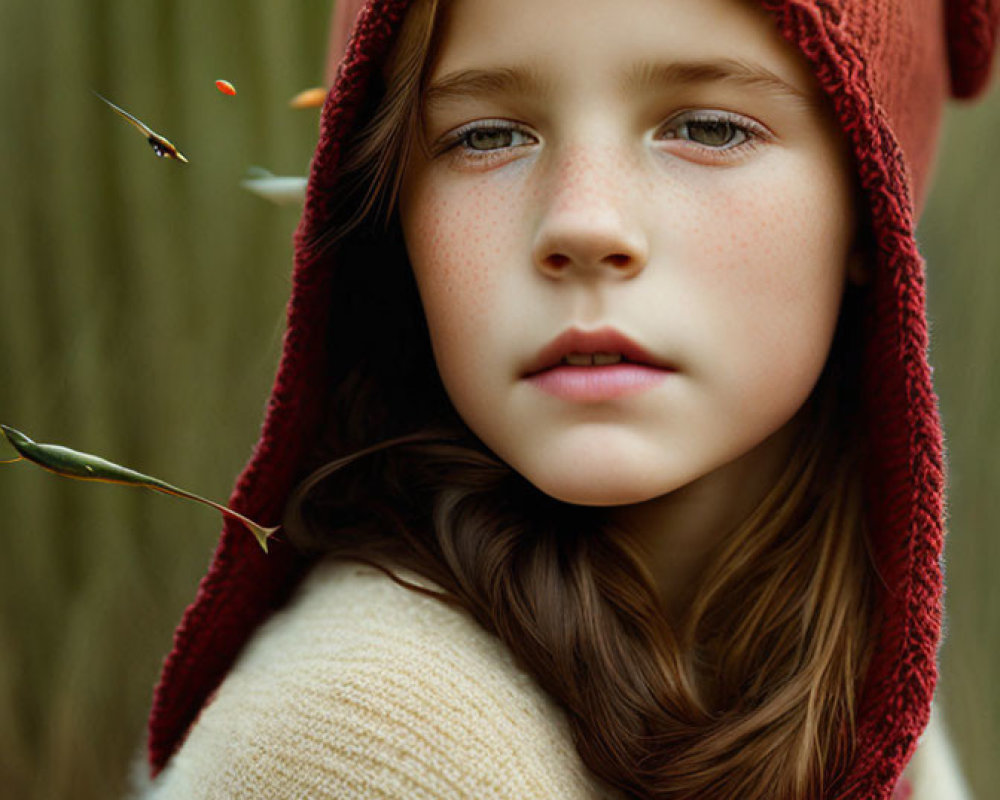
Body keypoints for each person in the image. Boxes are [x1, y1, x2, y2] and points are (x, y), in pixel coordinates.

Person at [138, 0, 998, 797]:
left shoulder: (860, 678)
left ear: (869, 205)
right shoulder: (369, 749)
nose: (583, 224)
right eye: (486, 136)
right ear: (391, 216)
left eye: (707, 126)